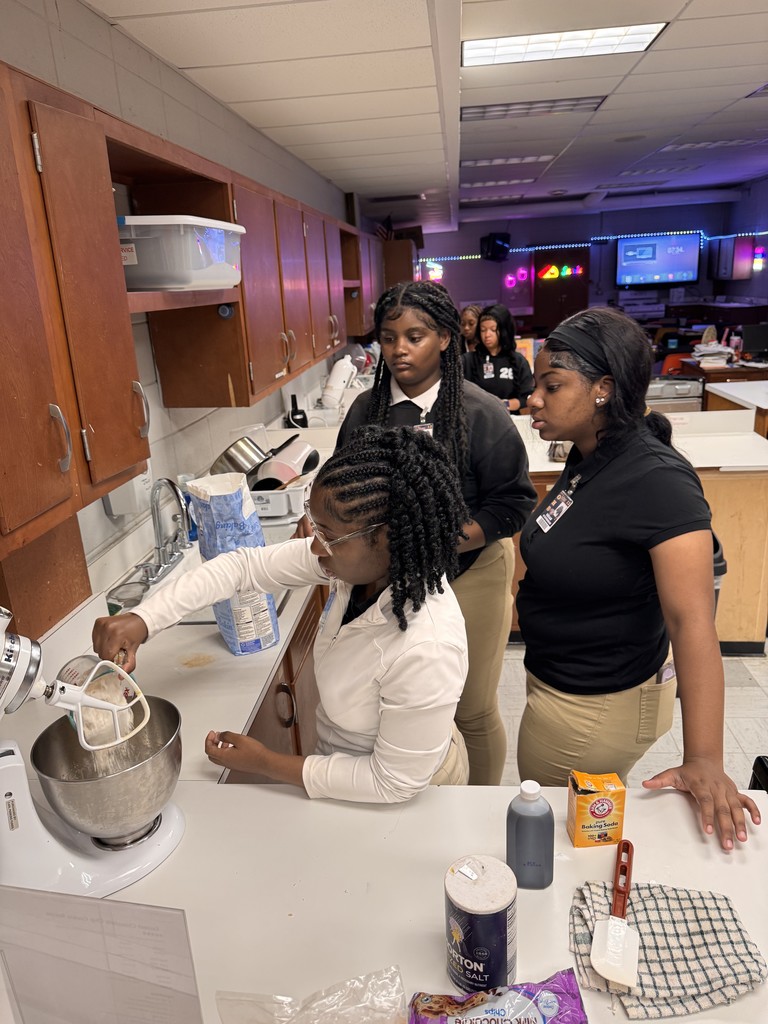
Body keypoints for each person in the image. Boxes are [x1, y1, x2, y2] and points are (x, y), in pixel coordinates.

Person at [92, 426, 472, 804]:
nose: (316, 548)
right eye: (317, 529)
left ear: (387, 539)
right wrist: (145, 619)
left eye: (329, 537)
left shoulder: (428, 647)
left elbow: (391, 783)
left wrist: (268, 763)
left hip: (412, 797)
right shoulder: (359, 568)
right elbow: (243, 568)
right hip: (343, 769)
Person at [516, 305, 761, 850]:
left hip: (591, 707)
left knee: (566, 844)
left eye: (551, 385)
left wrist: (704, 759)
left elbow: (691, 621)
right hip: (566, 684)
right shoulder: (593, 453)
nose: (533, 399)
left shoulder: (656, 479)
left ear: (602, 389)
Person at [327, 281, 537, 785]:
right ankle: (414, 792)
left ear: (444, 337)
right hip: (390, 579)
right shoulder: (365, 413)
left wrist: (434, 537)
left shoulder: (481, 413)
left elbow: (512, 505)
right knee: (402, 699)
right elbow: (343, 494)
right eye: (389, 336)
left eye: (415, 336)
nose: (399, 349)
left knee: (470, 706)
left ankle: (478, 803)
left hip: (473, 572)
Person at [463, 304, 534, 414]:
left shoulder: (518, 361)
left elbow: (526, 397)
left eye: (493, 329)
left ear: (504, 331)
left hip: (509, 419)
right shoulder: (468, 360)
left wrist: (504, 405)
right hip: (479, 420)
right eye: (483, 330)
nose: (487, 335)